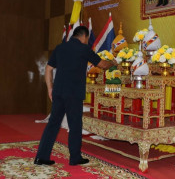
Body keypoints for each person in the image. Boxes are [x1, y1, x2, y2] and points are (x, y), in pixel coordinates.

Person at [34, 25, 116, 166]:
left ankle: (41, 157)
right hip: (74, 93)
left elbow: (48, 69)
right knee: (75, 125)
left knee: (53, 124)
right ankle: (75, 158)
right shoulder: (83, 49)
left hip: (58, 92)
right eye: (87, 39)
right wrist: (113, 63)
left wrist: (50, 88)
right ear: (84, 37)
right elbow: (102, 64)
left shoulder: (59, 48)